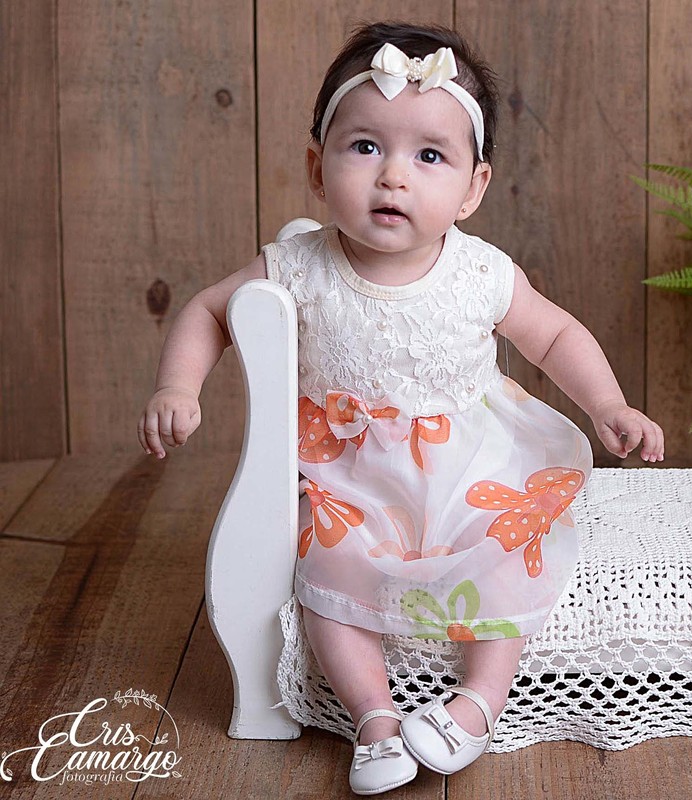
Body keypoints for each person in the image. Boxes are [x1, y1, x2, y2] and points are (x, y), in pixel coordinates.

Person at [136, 21, 664, 795]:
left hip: (473, 464)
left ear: (473, 187)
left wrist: (608, 402)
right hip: (348, 476)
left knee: (510, 546)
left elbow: (554, 335)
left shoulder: (481, 273)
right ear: (317, 168)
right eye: (365, 147)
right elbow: (212, 310)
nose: (393, 177)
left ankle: (477, 705)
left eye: (429, 157)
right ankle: (375, 719)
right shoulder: (298, 266)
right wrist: (178, 387)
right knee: (324, 563)